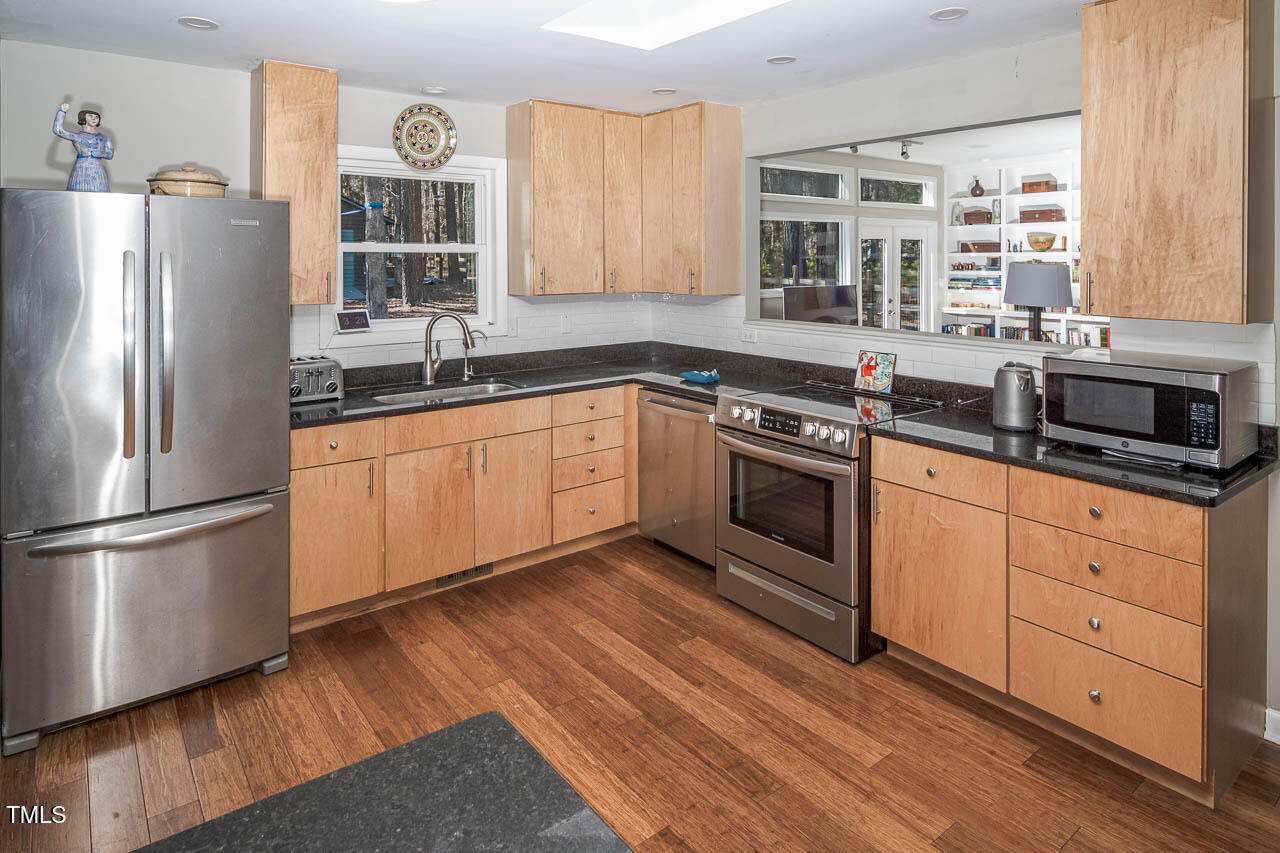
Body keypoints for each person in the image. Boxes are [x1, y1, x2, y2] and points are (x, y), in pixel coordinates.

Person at [52, 103, 113, 192]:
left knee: (99, 192)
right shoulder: (78, 137)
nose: (94, 118)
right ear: (83, 118)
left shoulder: (104, 138)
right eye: (90, 116)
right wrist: (62, 112)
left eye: (96, 117)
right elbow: (58, 130)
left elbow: (110, 154)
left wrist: (96, 154)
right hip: (81, 168)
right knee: (79, 192)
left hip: (97, 169)